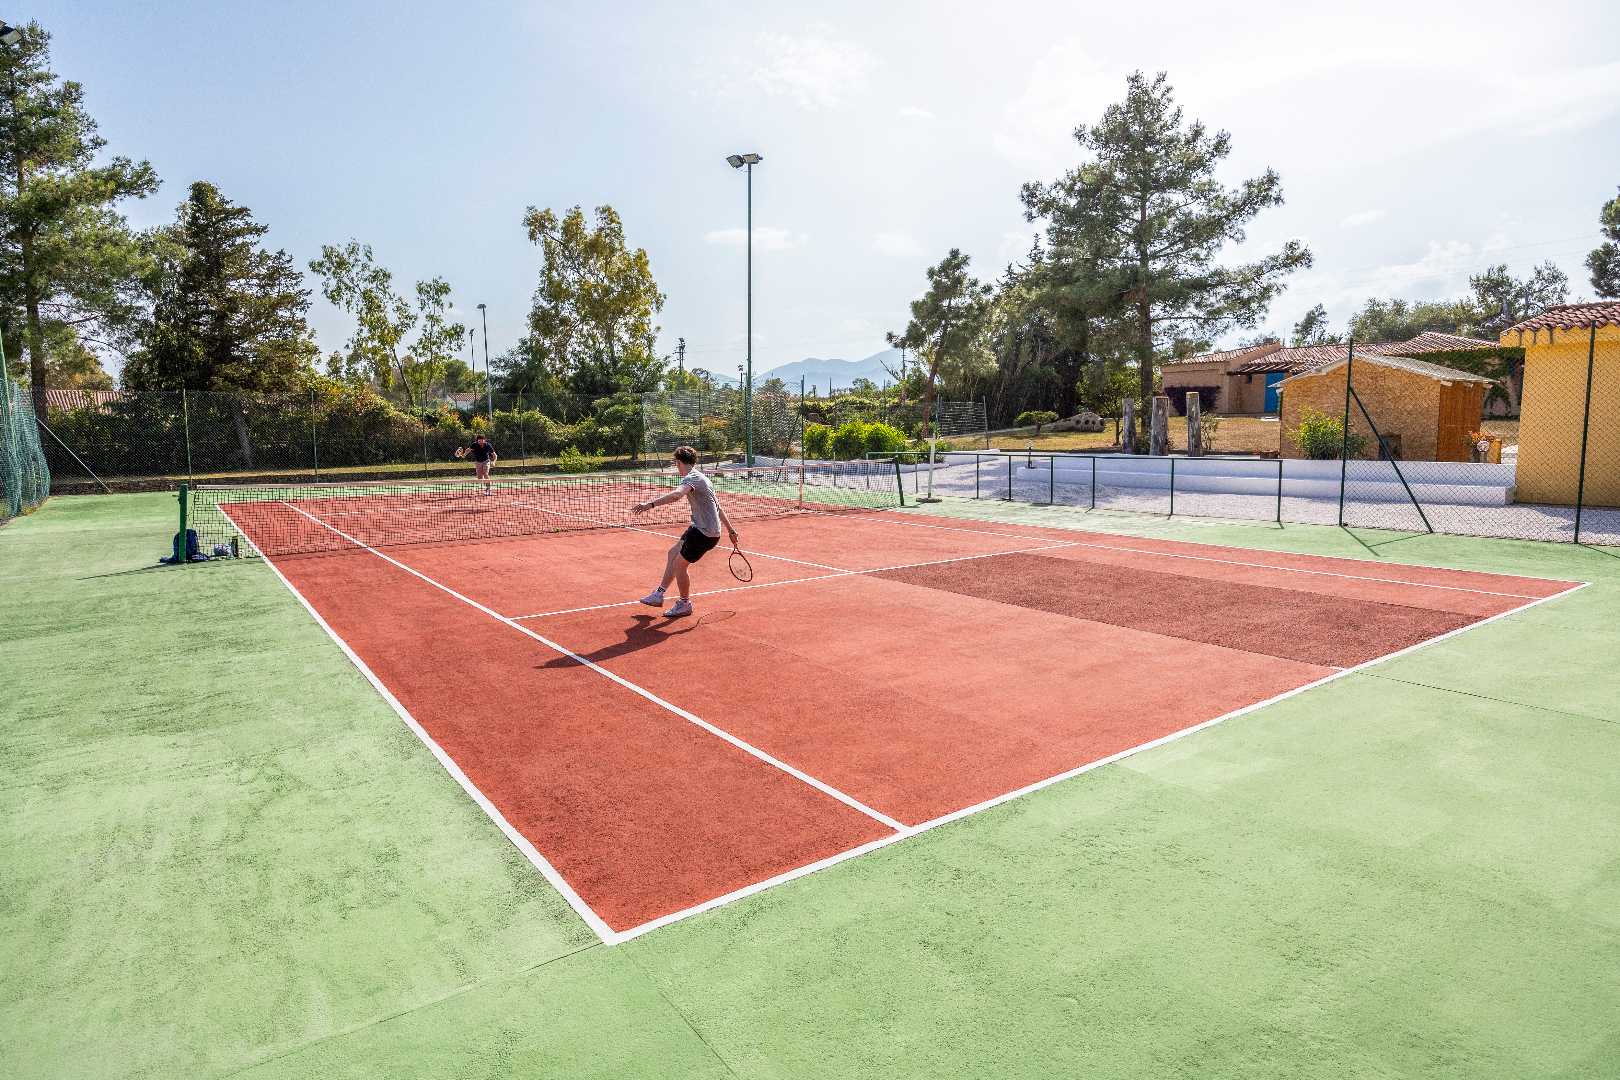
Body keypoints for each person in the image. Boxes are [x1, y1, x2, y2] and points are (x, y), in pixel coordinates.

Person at [631, 446, 739, 619]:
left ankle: (684, 603)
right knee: (672, 553)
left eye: (676, 463)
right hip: (699, 528)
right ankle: (659, 594)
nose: (676, 466)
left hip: (705, 534)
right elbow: (718, 507)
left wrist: (649, 505)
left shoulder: (692, 478)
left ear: (679, 462)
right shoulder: (701, 477)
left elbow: (676, 495)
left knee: (679, 565)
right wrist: (731, 530)